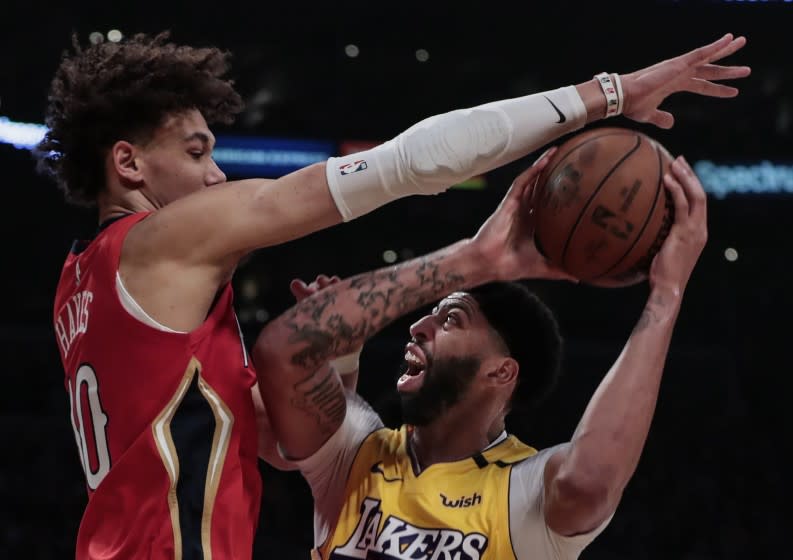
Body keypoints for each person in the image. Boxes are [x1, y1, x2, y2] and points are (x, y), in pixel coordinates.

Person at [40, 27, 747, 559]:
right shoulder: (158, 242)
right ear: (127, 164)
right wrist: (608, 94)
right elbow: (410, 163)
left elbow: (266, 443)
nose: (217, 176)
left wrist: (340, 367)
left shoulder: (84, 289)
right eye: (196, 152)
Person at [253, 142, 711, 559]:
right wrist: (471, 260)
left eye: (451, 319)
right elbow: (286, 349)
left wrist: (667, 293)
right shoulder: (355, 451)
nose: (417, 326)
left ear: (501, 372)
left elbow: (587, 483)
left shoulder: (520, 491)